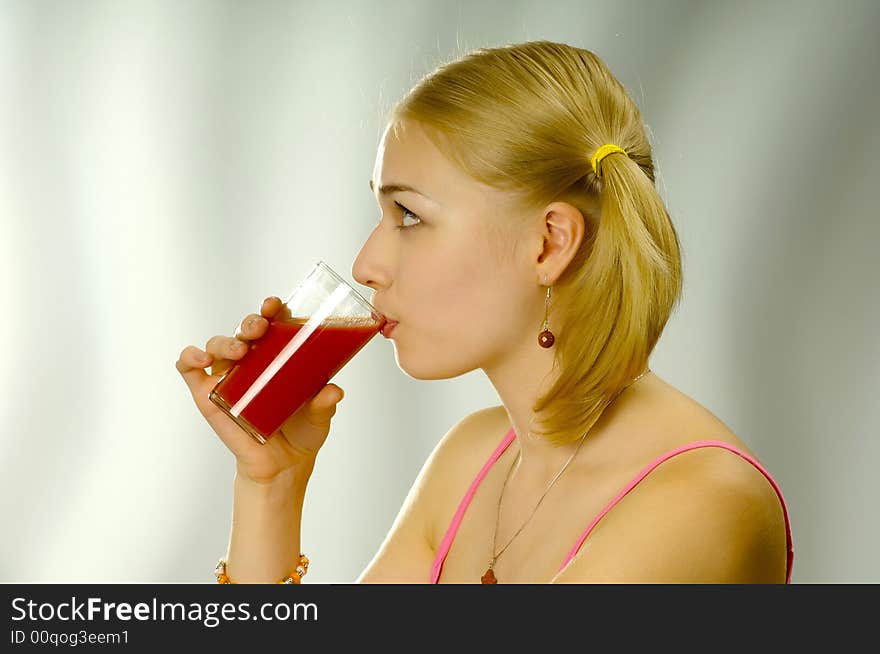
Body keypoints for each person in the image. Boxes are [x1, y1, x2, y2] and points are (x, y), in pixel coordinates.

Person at [176, 40, 793, 584]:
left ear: (550, 242)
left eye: (409, 216)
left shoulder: (698, 501)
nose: (366, 263)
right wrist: (272, 486)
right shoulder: (474, 457)